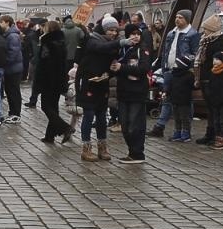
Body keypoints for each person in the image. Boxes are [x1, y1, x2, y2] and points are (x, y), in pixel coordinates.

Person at [152, 10, 200, 141]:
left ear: (187, 19)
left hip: (183, 72)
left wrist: (185, 63)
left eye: (181, 17)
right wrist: (163, 67)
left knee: (185, 102)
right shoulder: (171, 33)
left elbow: (195, 53)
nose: (177, 19)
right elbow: (166, 51)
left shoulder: (192, 34)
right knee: (168, 98)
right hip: (169, 70)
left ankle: (186, 130)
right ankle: (170, 128)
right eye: (177, 17)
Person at [76, 18, 120, 162]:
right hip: (88, 82)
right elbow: (99, 49)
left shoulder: (112, 45)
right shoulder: (93, 39)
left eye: (115, 30)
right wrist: (121, 42)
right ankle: (86, 148)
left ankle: (102, 147)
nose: (113, 33)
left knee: (102, 116)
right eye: (110, 30)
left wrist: (111, 71)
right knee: (89, 115)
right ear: (103, 29)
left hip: (102, 83)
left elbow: (113, 62)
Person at [111, 22, 154, 164]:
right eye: (132, 34)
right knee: (124, 123)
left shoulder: (143, 49)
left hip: (137, 91)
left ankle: (137, 153)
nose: (135, 37)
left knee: (135, 124)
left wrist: (122, 68)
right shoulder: (122, 49)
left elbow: (143, 68)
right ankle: (131, 151)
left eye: (137, 34)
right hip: (123, 91)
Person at [197, 15, 223, 149]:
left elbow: (218, 60)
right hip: (205, 76)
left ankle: (217, 135)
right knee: (210, 108)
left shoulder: (221, 41)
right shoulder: (205, 41)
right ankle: (210, 133)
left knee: (216, 109)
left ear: (212, 29)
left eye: (206, 29)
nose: (204, 32)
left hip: (213, 78)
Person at [35, 19, 72, 144]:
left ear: (48, 29)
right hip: (58, 80)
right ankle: (49, 135)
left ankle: (65, 127)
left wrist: (39, 81)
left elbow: (43, 64)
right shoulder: (61, 42)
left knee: (46, 106)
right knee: (53, 107)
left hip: (48, 80)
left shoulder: (47, 43)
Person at [1, 15, 25, 121]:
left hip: (13, 68)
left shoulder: (12, 36)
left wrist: (4, 62)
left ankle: (16, 114)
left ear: (7, 23)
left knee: (14, 91)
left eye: (1, 22)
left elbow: (13, 52)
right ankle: (12, 112)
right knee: (10, 91)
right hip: (11, 68)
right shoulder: (8, 35)